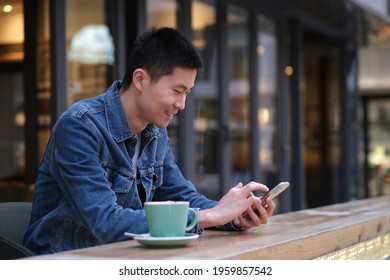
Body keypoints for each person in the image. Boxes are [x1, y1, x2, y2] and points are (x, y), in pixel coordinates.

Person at [23, 27, 275, 255]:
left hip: (122, 258)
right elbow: (106, 221)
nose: (182, 104)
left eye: (187, 93)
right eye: (177, 91)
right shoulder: (79, 126)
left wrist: (235, 215)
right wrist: (209, 216)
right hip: (64, 262)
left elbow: (179, 195)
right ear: (141, 79)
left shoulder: (154, 131)